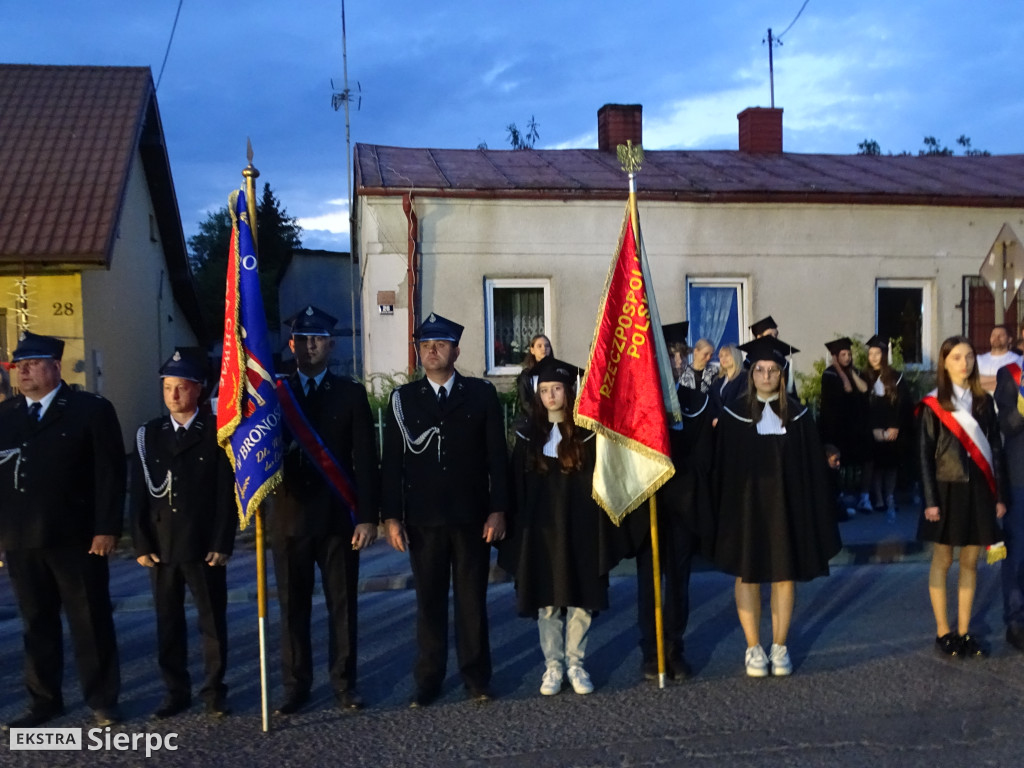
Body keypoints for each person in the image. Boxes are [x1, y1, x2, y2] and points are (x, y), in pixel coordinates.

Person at [382, 312, 509, 707]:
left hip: (471, 516)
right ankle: (429, 679)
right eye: (424, 346)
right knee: (429, 603)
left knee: (472, 601)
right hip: (423, 519)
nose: (431, 351)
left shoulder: (481, 394)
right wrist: (391, 516)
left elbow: (497, 458)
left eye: (438, 345)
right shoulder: (403, 400)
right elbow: (392, 463)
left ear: (456, 350)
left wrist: (498, 509)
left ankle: (476, 678)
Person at [0, 332, 125, 729]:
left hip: (77, 539)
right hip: (21, 540)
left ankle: (102, 700)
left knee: (90, 621)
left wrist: (106, 528)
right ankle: (44, 701)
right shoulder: (6, 415)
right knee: (37, 624)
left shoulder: (89, 410)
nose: (24, 372)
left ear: (56, 366)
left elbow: (110, 473)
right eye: (19, 365)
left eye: (33, 364)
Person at [271, 305, 380, 715]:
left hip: (338, 518)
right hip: (289, 517)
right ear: (292, 344)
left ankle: (343, 683)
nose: (310, 345)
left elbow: (366, 458)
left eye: (318, 339)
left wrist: (368, 515)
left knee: (342, 605)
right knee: (292, 607)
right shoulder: (275, 394)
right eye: (303, 339)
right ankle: (295, 685)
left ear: (331, 346)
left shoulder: (349, 393)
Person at [712, 335, 840, 678]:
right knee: (748, 574)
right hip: (747, 510)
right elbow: (722, 467)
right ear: (751, 374)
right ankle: (753, 647)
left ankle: (780, 646)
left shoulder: (798, 417)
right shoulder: (733, 415)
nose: (766, 376)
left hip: (787, 508)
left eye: (773, 371)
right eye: (760, 370)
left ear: (781, 375)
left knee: (784, 574)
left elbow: (811, 471)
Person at [499, 357, 619, 695]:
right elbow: (516, 487)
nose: (552, 396)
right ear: (538, 395)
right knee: (547, 600)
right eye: (546, 390)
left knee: (580, 597)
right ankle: (553, 665)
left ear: (569, 391)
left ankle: (575, 662)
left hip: (580, 530)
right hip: (541, 533)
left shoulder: (587, 435)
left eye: (557, 389)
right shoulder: (526, 436)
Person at [131, 347, 236, 719]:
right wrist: (141, 542)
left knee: (212, 623)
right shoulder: (149, 434)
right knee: (168, 624)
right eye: (168, 388)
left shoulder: (217, 434)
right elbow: (140, 493)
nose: (173, 395)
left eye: (181, 388)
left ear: (199, 390)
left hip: (203, 544)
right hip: (162, 545)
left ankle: (214, 691)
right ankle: (175, 691)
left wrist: (223, 541)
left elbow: (226, 493)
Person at [918, 336, 1007, 658]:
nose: (964, 363)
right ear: (944, 362)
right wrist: (930, 500)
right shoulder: (933, 403)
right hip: (945, 489)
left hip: (980, 489)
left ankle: (965, 631)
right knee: (943, 560)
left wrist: (1000, 495)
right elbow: (925, 455)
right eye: (956, 357)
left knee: (971, 561)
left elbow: (995, 449)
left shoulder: (983, 401)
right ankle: (944, 631)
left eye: (969, 356)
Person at [627, 359, 713, 682]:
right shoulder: (638, 405)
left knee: (678, 581)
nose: (672, 366)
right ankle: (651, 651)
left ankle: (674, 647)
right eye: (666, 358)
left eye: (678, 360)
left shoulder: (696, 403)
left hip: (682, 505)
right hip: (648, 505)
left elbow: (704, 457)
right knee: (649, 582)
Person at [819, 337, 871, 513]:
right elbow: (846, 391)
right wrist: (840, 371)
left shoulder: (855, 372)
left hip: (856, 428)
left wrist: (850, 372)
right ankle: (837, 497)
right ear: (835, 357)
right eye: (843, 355)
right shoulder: (829, 375)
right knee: (835, 464)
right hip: (836, 428)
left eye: (849, 354)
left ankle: (864, 498)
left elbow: (864, 389)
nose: (847, 357)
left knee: (867, 459)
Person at [863, 335, 912, 522]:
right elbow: (863, 406)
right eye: (871, 353)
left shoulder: (896, 377)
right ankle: (879, 498)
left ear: (884, 355)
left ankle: (890, 495)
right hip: (873, 427)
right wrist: (873, 428)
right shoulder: (864, 376)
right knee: (877, 464)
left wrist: (895, 426)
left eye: (877, 353)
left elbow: (903, 404)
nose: (873, 357)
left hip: (892, 426)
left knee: (891, 464)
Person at [994, 361, 1024, 652]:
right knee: (1017, 552)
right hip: (1020, 477)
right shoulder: (1011, 374)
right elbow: (1007, 424)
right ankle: (1016, 620)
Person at [514, 334, 553, 429]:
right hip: (534, 423)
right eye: (539, 346)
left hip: (555, 421)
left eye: (547, 346)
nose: (544, 349)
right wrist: (539, 417)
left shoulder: (557, 372)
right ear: (532, 350)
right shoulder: (526, 375)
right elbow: (525, 402)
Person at [977, 324, 1022, 393]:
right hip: (981, 402)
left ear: (1009, 339)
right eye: (993, 335)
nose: (996, 338)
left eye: (1001, 335)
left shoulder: (1017, 360)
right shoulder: (978, 360)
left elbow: (1014, 385)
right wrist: (1004, 378)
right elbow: (971, 381)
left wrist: (981, 383)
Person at [711, 344, 746, 419]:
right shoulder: (717, 379)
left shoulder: (744, 377)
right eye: (721, 356)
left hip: (734, 422)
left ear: (735, 356)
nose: (723, 358)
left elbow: (741, 403)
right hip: (717, 426)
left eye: (727, 355)